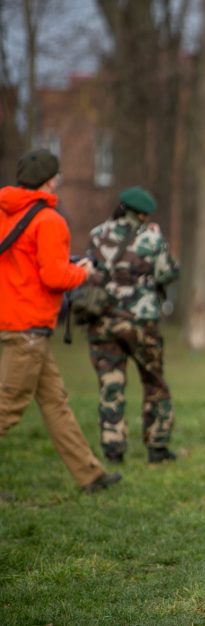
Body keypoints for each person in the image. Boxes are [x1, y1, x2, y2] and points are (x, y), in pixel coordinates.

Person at [0, 148, 121, 493]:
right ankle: (90, 474)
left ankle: (90, 474)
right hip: (29, 328)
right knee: (7, 408)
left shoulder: (6, 213)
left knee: (55, 402)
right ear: (50, 180)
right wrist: (82, 272)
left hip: (15, 321)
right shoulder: (49, 220)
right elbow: (54, 277)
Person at [85, 187, 180, 464]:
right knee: (154, 381)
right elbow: (168, 272)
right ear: (142, 213)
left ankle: (113, 449)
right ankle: (157, 446)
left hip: (102, 321)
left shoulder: (97, 234)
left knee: (110, 384)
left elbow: (89, 270)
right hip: (141, 322)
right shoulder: (151, 237)